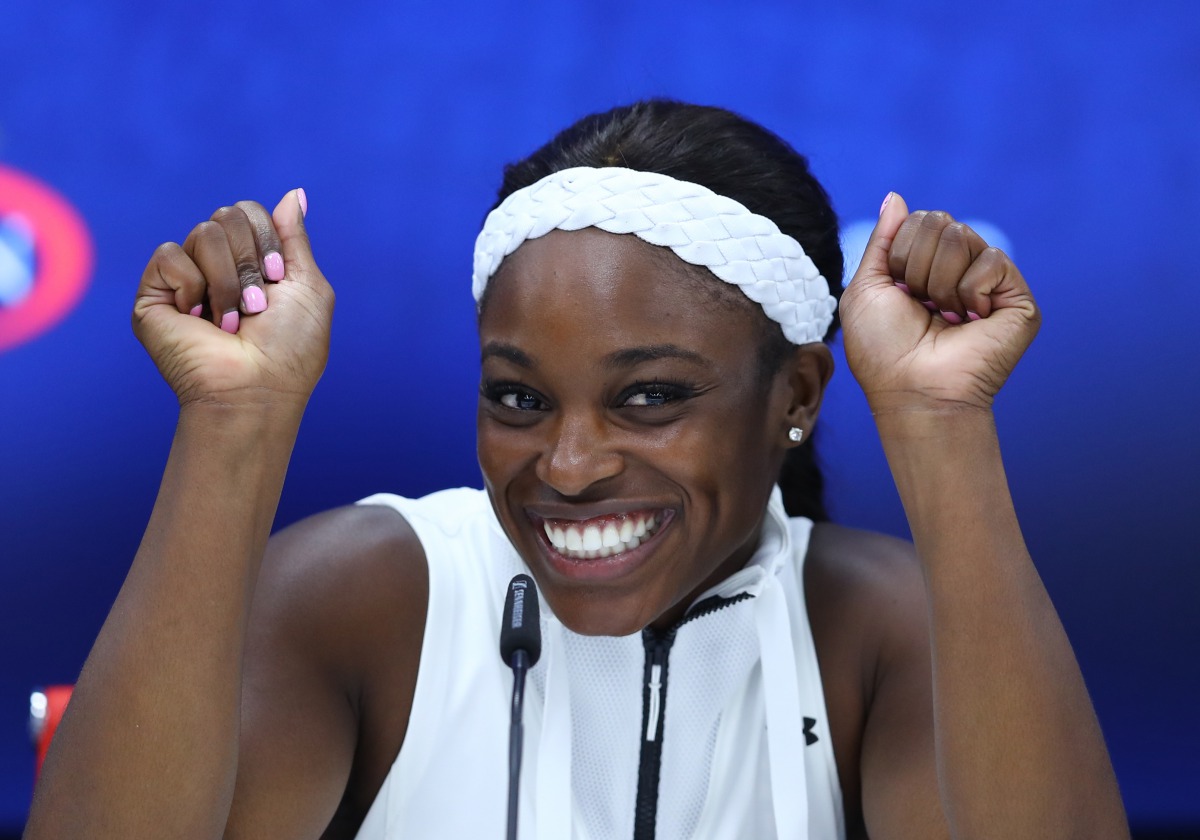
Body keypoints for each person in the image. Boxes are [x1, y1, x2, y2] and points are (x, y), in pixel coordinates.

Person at [23, 100, 1129, 840]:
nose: (570, 462)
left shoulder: (881, 630)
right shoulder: (365, 596)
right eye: (520, 397)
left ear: (796, 394)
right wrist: (235, 422)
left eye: (650, 397)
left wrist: (941, 424)